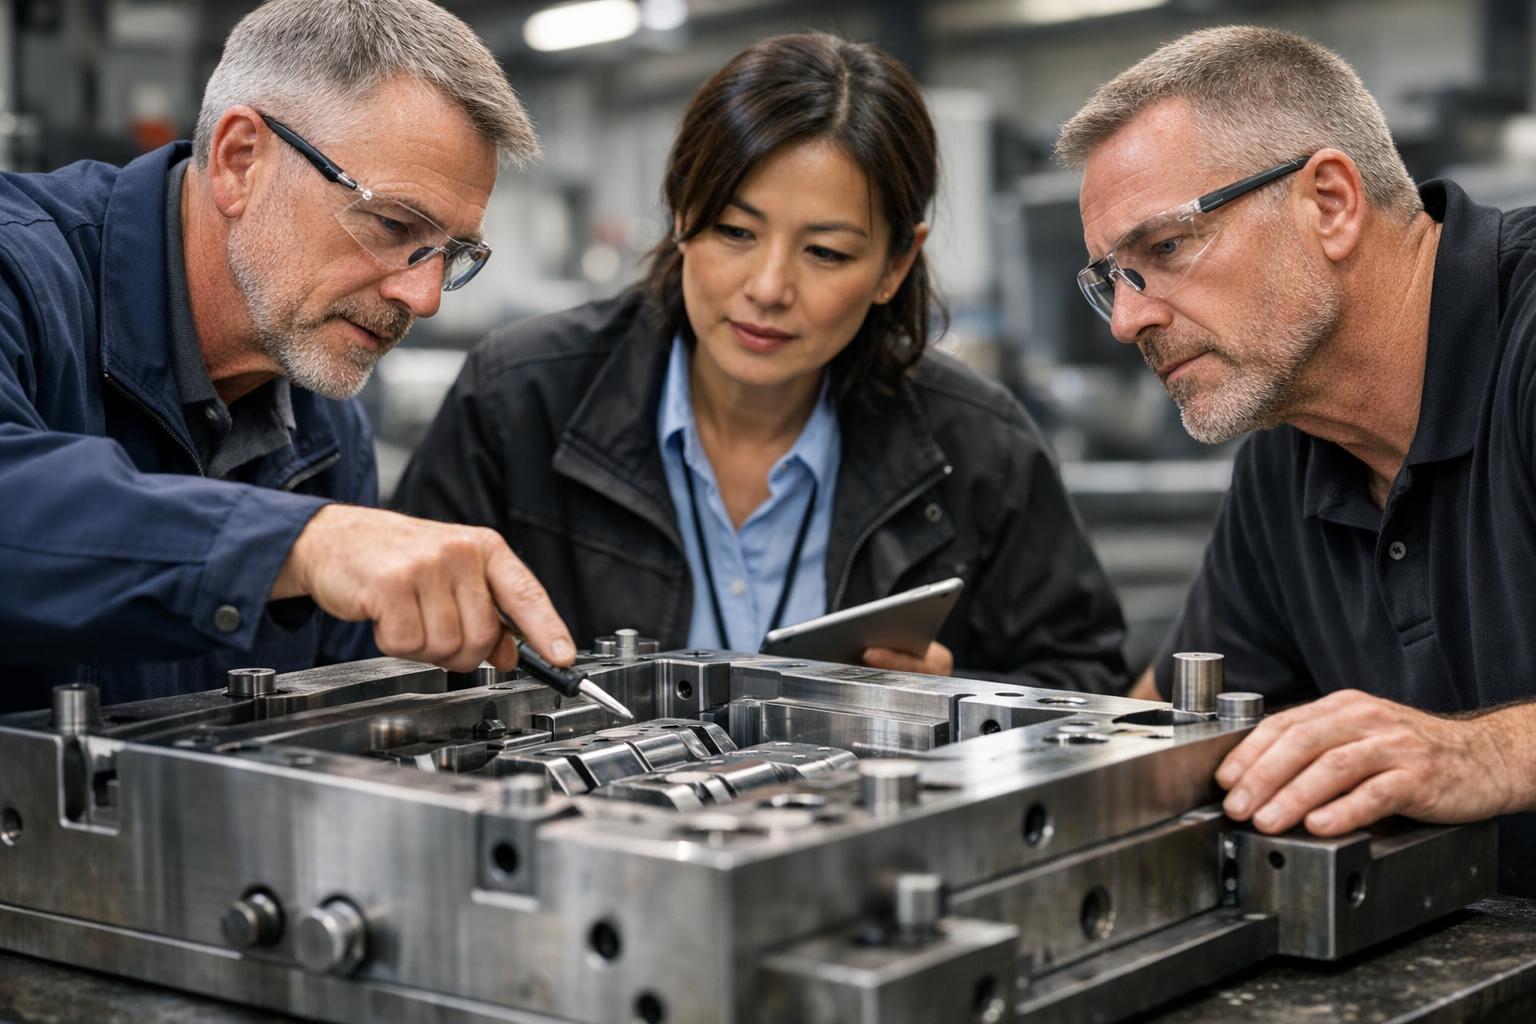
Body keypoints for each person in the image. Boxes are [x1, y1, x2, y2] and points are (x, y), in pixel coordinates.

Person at [394, 32, 1127, 691]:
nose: (769, 288)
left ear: (895, 265)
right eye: (735, 232)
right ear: (682, 215)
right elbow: (392, 657)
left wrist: (954, 694)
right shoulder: (519, 398)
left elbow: (1086, 681)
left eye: (826, 253)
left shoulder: (979, 447)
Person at [1056, 25, 1536, 894]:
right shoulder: (1292, 450)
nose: (1129, 322)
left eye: (1163, 250)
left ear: (1329, 202)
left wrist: (1483, 753)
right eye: (1110, 281)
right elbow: (1163, 724)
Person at [0, 0, 578, 715]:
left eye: (452, 254)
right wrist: (302, 543)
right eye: (394, 224)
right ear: (240, 159)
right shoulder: (19, 275)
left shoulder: (327, 433)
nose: (424, 297)